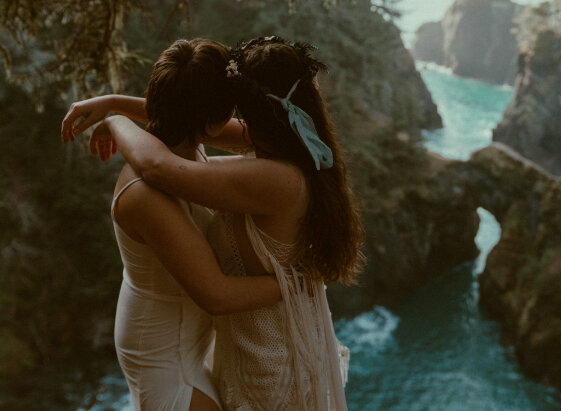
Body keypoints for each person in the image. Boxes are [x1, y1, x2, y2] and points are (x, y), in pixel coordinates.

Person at [71, 36, 364, 410]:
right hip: (169, 350)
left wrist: (115, 115)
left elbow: (163, 154)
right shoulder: (291, 146)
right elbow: (167, 148)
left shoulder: (253, 172)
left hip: (204, 342)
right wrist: (114, 110)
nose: (240, 125)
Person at [62, 38, 283, 411]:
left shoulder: (177, 141)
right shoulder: (146, 193)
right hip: (162, 356)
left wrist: (115, 107)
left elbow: (253, 136)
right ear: (213, 119)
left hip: (186, 337)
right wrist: (296, 281)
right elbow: (218, 295)